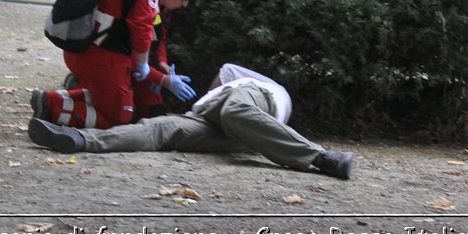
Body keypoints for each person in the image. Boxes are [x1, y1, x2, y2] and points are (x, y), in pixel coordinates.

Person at [27, 62, 357, 180]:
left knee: (232, 110)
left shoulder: (261, 85)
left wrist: (201, 98)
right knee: (158, 129)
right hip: (226, 128)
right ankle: (79, 139)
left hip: (252, 105)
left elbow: (225, 73)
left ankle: (321, 157)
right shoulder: (218, 103)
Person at [30, 0, 184, 129]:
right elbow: (142, 28)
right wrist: (143, 65)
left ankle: (50, 99)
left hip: (80, 45)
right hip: (103, 57)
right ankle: (54, 109)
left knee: (110, 99)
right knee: (119, 118)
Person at [134, 0, 201, 120]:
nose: (185, 4)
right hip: (126, 65)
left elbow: (160, 38)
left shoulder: (163, 9)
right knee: (122, 115)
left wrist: (163, 64)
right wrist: (162, 80)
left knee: (155, 112)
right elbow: (132, 52)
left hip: (142, 69)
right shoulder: (147, 4)